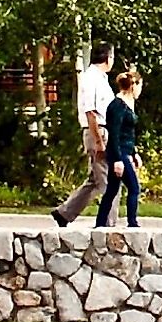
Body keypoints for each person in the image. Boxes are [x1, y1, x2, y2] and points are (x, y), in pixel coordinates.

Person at [50, 41, 113, 226]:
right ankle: (108, 223)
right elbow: (90, 111)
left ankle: (65, 213)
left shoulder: (101, 79)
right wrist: (99, 140)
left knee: (94, 179)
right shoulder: (91, 78)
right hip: (97, 130)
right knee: (107, 181)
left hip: (103, 129)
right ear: (108, 58)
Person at [95, 68, 143, 229]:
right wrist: (116, 159)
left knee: (112, 189)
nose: (140, 90)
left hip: (126, 149)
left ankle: (100, 223)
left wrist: (134, 153)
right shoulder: (117, 106)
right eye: (139, 86)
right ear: (133, 85)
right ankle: (132, 222)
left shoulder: (129, 105)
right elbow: (114, 134)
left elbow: (128, 133)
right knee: (134, 188)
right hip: (118, 152)